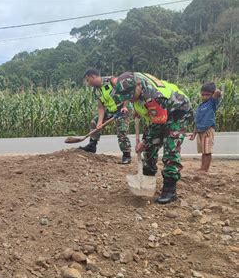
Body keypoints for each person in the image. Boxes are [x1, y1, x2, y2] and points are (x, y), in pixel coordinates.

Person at [113, 72, 192, 204]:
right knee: (150, 147)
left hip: (178, 111)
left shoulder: (154, 98)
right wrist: (138, 110)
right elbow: (142, 104)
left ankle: (169, 189)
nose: (130, 99)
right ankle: (147, 176)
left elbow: (158, 125)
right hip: (160, 112)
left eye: (131, 96)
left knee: (171, 147)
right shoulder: (133, 79)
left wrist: (144, 142)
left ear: (138, 86)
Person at [80, 69, 132, 164]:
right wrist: (100, 122)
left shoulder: (111, 80)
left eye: (88, 80)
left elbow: (126, 91)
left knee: (121, 131)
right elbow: (101, 107)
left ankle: (126, 155)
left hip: (122, 108)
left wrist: (124, 106)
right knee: (94, 122)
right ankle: (92, 145)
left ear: (93, 77)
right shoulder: (96, 91)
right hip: (111, 110)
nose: (87, 83)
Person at [188, 82, 221, 173]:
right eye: (203, 94)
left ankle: (205, 169)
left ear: (212, 94)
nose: (205, 97)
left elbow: (218, 93)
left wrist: (214, 91)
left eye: (207, 95)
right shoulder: (200, 106)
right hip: (200, 131)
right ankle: (202, 167)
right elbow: (197, 121)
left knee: (207, 151)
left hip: (208, 130)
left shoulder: (212, 103)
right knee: (203, 151)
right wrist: (194, 134)